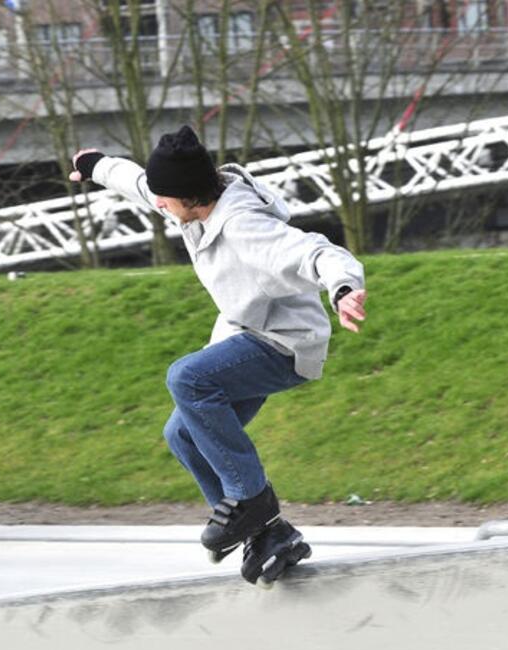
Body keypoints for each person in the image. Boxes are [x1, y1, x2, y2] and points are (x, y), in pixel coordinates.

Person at [68, 125, 367, 586]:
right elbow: (141, 185)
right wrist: (95, 166)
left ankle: (252, 501)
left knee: (187, 378)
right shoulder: (190, 201)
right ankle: (269, 535)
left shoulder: (245, 225)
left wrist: (344, 286)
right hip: (247, 334)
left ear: (188, 196)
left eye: (167, 201)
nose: (161, 207)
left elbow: (313, 250)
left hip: (286, 342)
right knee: (182, 434)